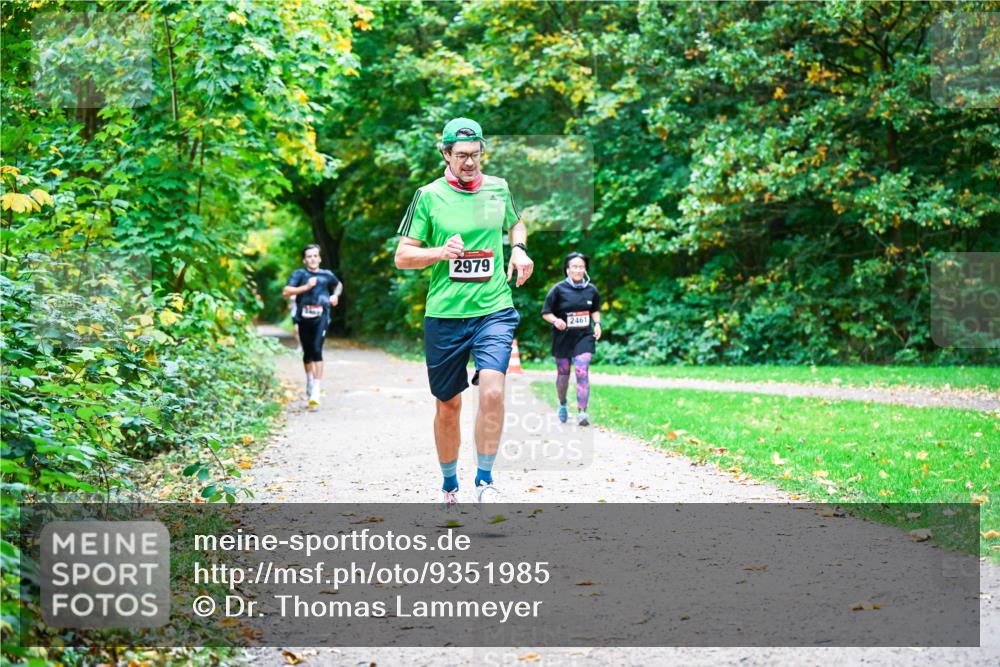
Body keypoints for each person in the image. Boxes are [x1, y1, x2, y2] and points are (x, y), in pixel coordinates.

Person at [394, 117, 533, 509]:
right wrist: (440, 252)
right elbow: (403, 256)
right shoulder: (428, 196)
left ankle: (486, 482)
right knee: (448, 404)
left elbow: (516, 224)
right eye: (461, 156)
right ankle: (450, 485)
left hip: (494, 308)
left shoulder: (498, 189)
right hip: (445, 314)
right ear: (445, 154)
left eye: (475, 155)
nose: (469, 162)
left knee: (492, 388)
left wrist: (519, 249)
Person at [541, 252, 602, 426]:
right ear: (567, 269)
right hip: (563, 338)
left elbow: (595, 310)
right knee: (563, 375)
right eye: (574, 266)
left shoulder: (591, 290)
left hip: (584, 337)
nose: (578, 269)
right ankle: (562, 404)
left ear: (585, 270)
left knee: (582, 371)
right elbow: (546, 312)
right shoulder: (558, 289)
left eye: (581, 266)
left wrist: (597, 324)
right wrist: (555, 320)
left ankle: (582, 412)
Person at [283, 244, 342, 406]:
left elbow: (338, 285)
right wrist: (306, 287)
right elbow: (286, 291)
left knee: (317, 350)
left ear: (320, 258)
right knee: (307, 353)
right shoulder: (299, 274)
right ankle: (309, 379)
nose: (312, 259)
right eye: (309, 256)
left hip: (321, 316)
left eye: (315, 256)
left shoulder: (326, 275)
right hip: (303, 317)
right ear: (304, 260)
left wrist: (335, 296)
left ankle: (316, 388)